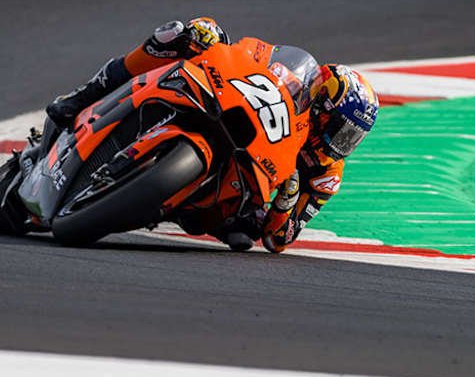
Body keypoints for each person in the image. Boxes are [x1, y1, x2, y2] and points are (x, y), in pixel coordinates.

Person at [46, 17, 379, 253]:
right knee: (175, 35)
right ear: (322, 105)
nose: (342, 143)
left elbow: (280, 239)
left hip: (246, 191)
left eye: (352, 137)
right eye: (341, 129)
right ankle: (83, 95)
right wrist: (211, 36)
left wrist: (287, 199)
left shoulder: (327, 175)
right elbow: (253, 54)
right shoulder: (293, 81)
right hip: (233, 115)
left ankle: (161, 198)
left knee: (245, 234)